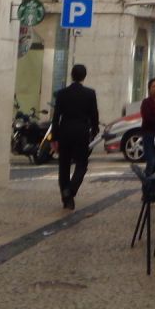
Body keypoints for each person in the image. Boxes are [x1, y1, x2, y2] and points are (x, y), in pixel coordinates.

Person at [51, 64, 100, 210]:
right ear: (84, 76)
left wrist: (54, 137)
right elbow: (94, 114)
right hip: (81, 131)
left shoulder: (61, 94)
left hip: (65, 131)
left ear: (71, 75)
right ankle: (71, 190)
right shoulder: (90, 93)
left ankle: (67, 199)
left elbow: (56, 117)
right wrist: (94, 130)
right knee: (82, 164)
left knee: (64, 165)